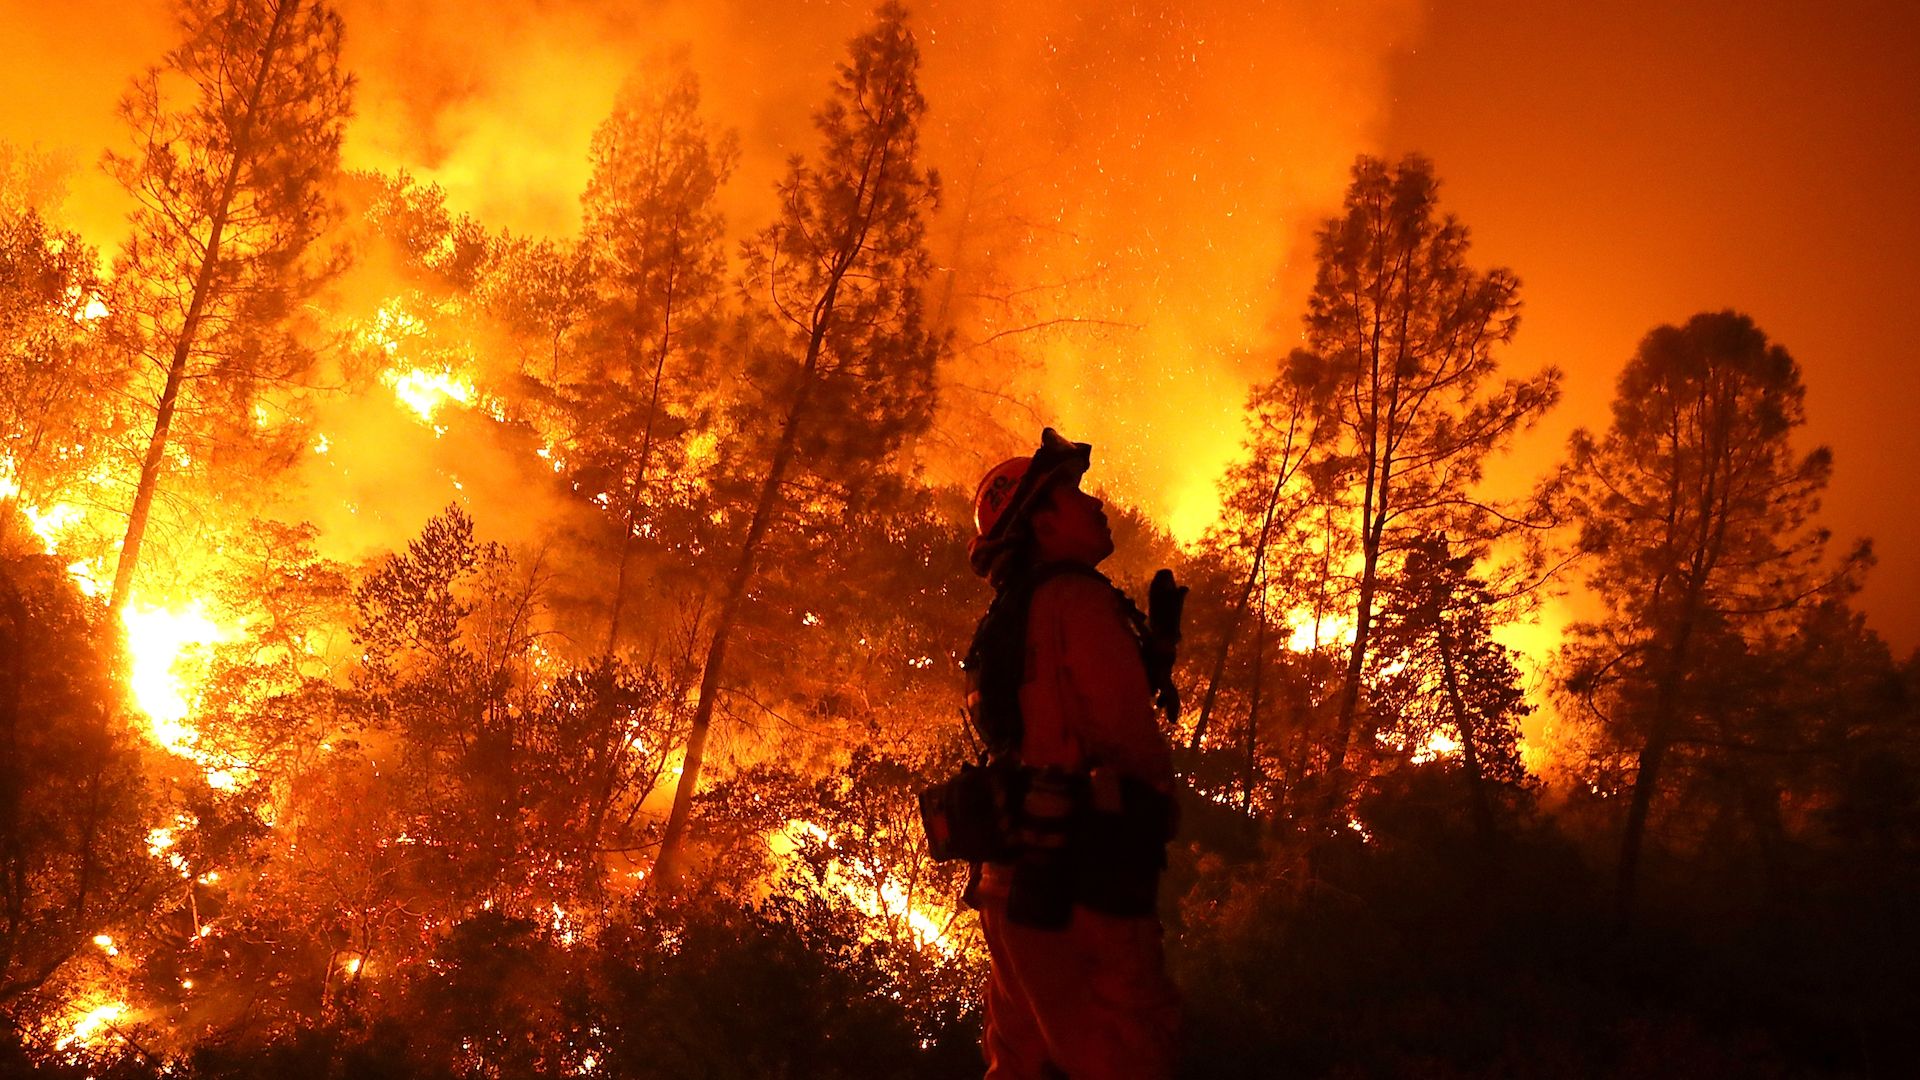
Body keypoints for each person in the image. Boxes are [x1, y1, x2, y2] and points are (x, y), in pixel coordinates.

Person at [962, 428, 1184, 1080]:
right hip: (1084, 893)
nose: (1094, 505)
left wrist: (1157, 654)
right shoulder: (1079, 600)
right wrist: (1156, 813)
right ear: (1043, 524)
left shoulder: (1008, 617)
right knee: (1128, 1052)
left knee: (1021, 1064)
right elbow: (1122, 732)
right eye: (1075, 496)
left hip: (1013, 885)